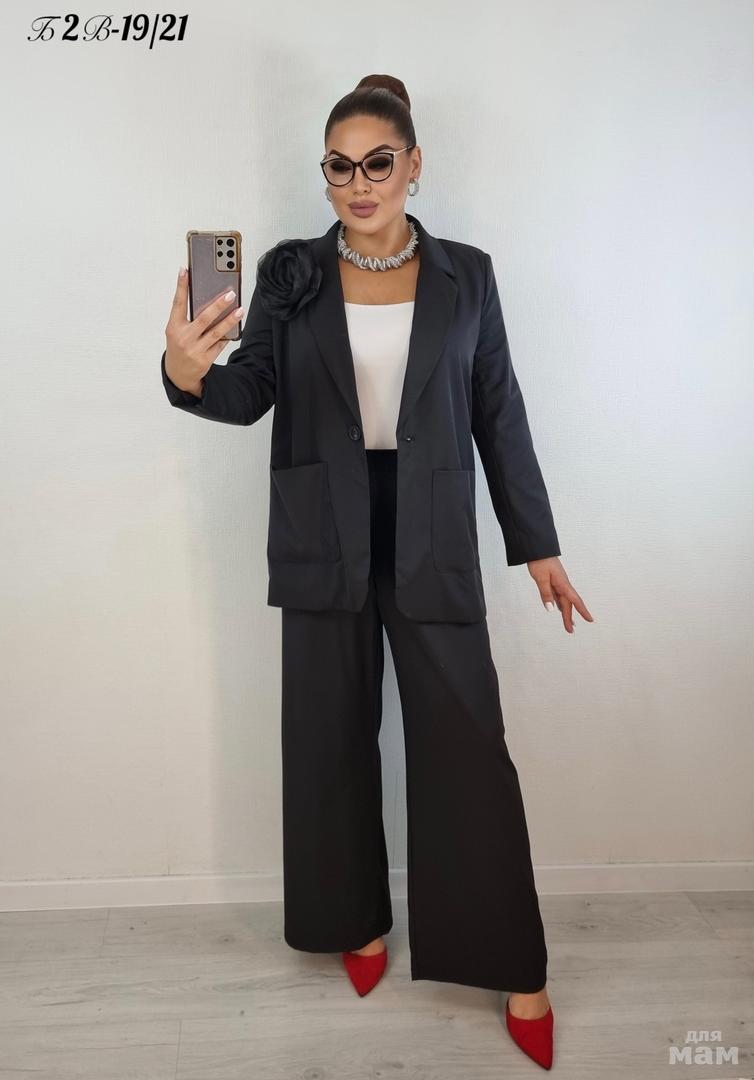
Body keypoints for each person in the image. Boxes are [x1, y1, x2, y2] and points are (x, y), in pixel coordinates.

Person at [161, 74, 593, 1071]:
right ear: (325, 176)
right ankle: (353, 921)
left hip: (431, 528)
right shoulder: (292, 273)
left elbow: (499, 410)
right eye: (339, 167)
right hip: (324, 526)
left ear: (413, 164)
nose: (358, 183)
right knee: (327, 740)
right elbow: (248, 393)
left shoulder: (468, 275)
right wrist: (187, 370)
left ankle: (514, 964)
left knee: (468, 749)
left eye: (377, 163)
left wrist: (536, 544)